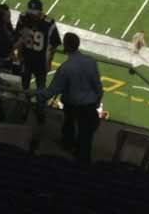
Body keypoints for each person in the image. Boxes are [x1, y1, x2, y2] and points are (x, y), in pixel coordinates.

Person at [45, 33, 105, 162]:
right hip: (88, 106)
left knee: (69, 128)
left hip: (72, 105)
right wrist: (98, 100)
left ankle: (69, 148)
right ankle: (82, 161)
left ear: (66, 46)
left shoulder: (65, 68)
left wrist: (36, 94)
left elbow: (53, 90)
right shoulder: (90, 62)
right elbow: (98, 86)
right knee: (86, 138)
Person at [16, 0, 60, 112]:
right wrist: (19, 54)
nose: (32, 16)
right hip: (26, 58)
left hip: (40, 61)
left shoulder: (49, 23)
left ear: (40, 12)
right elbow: (19, 36)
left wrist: (49, 61)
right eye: (31, 13)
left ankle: (40, 110)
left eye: (34, 13)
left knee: (41, 88)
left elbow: (54, 44)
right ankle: (24, 106)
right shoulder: (24, 17)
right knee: (24, 86)